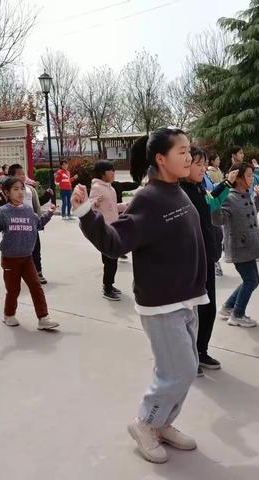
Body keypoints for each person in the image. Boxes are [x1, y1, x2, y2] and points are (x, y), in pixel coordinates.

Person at [71, 128, 206, 464]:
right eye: (182, 152)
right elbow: (116, 243)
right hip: (161, 303)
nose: (189, 157)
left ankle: (163, 423)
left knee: (183, 370)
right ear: (160, 159)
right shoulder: (150, 197)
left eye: (189, 150)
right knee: (178, 370)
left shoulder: (177, 191)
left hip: (185, 298)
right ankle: (145, 423)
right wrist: (87, 213)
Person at [0, 177, 59, 330]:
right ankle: (9, 315)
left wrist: (49, 213)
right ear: (6, 193)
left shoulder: (28, 210)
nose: (20, 192)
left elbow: (38, 224)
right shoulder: (3, 212)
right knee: (14, 290)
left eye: (22, 188)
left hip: (27, 258)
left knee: (35, 286)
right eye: (16, 189)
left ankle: (43, 317)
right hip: (10, 258)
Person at [180, 146, 237, 375]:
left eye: (204, 164)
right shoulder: (180, 192)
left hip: (206, 257)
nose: (203, 168)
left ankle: (200, 352)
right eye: (198, 164)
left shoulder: (198, 187)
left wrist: (227, 184)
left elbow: (211, 204)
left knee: (208, 309)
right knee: (190, 314)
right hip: (191, 262)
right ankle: (188, 358)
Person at [216, 163, 259, 328]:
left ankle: (228, 307)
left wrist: (258, 198)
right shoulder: (229, 197)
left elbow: (251, 214)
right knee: (251, 280)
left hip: (250, 244)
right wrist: (215, 204)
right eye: (249, 175)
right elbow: (218, 220)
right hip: (239, 246)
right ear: (237, 178)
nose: (252, 178)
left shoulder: (245, 193)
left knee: (251, 280)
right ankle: (237, 314)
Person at [6, 164, 53, 284]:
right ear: (11, 176)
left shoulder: (30, 189)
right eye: (19, 174)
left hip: (31, 225)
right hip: (16, 226)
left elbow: (37, 204)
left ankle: (38, 273)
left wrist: (47, 196)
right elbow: (3, 208)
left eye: (23, 174)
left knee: (36, 250)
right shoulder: (7, 191)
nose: (23, 176)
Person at [89, 161, 128, 301]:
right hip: (104, 230)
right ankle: (107, 288)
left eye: (113, 170)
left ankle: (109, 284)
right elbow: (90, 206)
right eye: (110, 170)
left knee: (113, 260)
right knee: (110, 260)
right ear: (102, 173)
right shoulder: (97, 187)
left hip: (114, 229)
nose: (113, 173)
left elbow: (112, 207)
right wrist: (95, 203)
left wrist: (125, 206)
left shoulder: (110, 188)